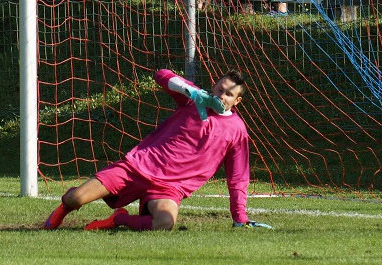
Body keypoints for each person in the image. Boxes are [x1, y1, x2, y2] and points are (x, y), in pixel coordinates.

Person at [44, 68, 271, 231]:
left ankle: (119, 220)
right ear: (214, 86)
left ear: (237, 101)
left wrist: (239, 217)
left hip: (170, 187)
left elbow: (238, 177)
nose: (221, 96)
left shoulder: (237, 130)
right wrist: (190, 91)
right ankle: (63, 209)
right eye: (220, 89)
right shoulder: (193, 99)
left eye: (228, 94)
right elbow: (162, 75)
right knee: (76, 199)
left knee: (164, 224)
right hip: (136, 167)